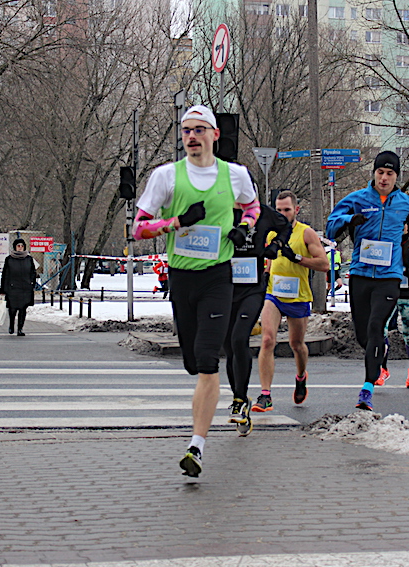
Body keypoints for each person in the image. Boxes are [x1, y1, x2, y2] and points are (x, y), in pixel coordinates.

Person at [132, 104, 261, 477]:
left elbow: (252, 208)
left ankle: (196, 447)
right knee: (192, 361)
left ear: (215, 135)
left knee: (207, 360)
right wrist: (177, 222)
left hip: (217, 277)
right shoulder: (166, 176)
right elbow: (139, 228)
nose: (191, 136)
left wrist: (243, 228)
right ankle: (211, 413)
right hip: (182, 278)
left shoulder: (235, 174)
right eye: (186, 130)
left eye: (199, 130)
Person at [326, 151, 409, 412]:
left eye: (390, 174)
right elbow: (331, 225)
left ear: (396, 176)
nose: (384, 178)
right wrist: (350, 220)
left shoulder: (405, 203)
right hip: (361, 274)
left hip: (389, 277)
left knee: (375, 327)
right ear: (374, 173)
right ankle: (375, 356)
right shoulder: (358, 199)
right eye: (380, 172)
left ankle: (367, 388)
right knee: (363, 335)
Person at [253, 190, 329, 413]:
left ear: (296, 210)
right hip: (274, 294)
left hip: (298, 296)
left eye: (287, 210)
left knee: (297, 345)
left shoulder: (306, 233)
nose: (283, 214)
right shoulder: (270, 232)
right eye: (278, 210)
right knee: (268, 340)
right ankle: (265, 395)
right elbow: (269, 261)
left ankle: (301, 376)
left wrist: (297, 258)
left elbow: (324, 264)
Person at [223, 202, 291, 435]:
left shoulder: (262, 212)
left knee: (239, 338)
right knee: (229, 347)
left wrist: (276, 244)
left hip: (252, 287)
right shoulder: (220, 208)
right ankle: (239, 398)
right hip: (224, 287)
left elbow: (286, 226)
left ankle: (239, 400)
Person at [376, 222, 409, 389]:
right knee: (381, 331)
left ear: (407, 228)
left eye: (403, 224)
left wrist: (402, 270)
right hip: (389, 294)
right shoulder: (387, 246)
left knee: (408, 334)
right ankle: (383, 369)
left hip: (407, 296)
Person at [0, 238, 38, 336]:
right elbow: (5, 274)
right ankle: (11, 325)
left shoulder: (29, 259)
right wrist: (3, 289)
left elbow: (33, 272)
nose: (20, 248)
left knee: (23, 309)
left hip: (25, 288)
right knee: (12, 309)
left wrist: (32, 283)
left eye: (22, 246)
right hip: (12, 288)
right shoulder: (9, 259)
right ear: (15, 247)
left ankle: (20, 328)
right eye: (18, 246)